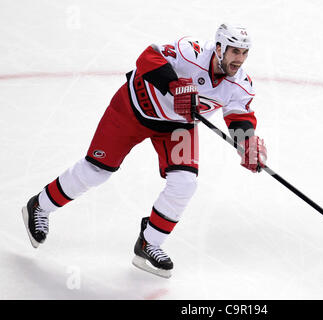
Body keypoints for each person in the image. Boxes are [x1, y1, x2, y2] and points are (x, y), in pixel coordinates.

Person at [21, 23, 267, 278]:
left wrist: (246, 143)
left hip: (177, 128)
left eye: (244, 53)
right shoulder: (190, 51)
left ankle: (150, 243)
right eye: (234, 51)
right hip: (134, 108)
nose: (239, 59)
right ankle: (39, 205)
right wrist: (173, 84)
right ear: (219, 47)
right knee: (96, 171)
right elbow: (147, 57)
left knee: (185, 183)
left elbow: (240, 116)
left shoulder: (240, 85)